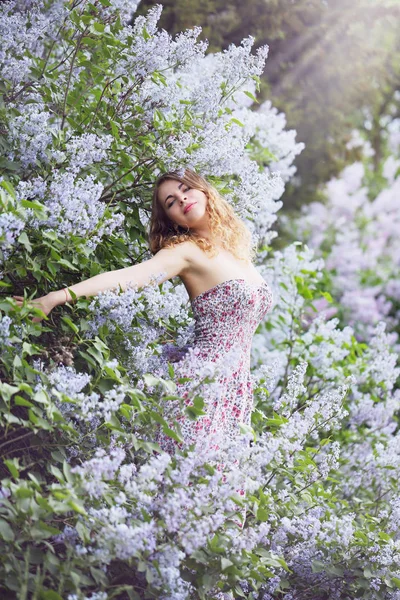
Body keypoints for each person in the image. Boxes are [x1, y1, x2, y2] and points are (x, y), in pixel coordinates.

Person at [12, 169, 273, 454]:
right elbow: (129, 278)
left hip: (236, 390)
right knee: (188, 485)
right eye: (171, 202)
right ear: (171, 218)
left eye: (186, 188)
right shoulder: (185, 251)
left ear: (204, 190)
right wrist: (55, 297)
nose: (182, 199)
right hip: (203, 385)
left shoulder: (236, 250)